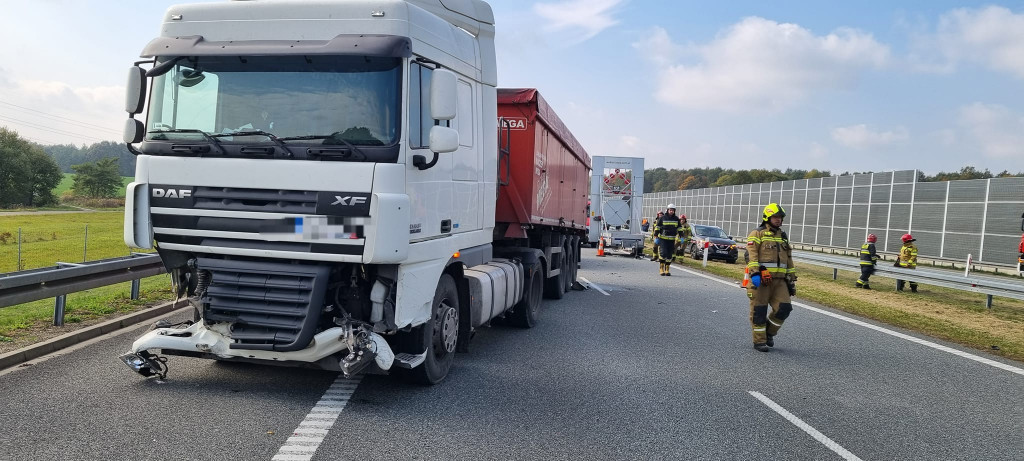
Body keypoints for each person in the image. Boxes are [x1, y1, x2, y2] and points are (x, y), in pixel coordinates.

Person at [745, 203, 797, 352]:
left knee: (785, 308)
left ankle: (769, 333)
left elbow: (788, 258)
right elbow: (751, 255)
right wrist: (756, 272)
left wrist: (791, 279)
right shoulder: (757, 233)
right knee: (759, 310)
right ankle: (759, 341)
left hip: (780, 281)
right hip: (762, 279)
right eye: (775, 217)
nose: (778, 220)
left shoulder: (783, 236)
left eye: (780, 217)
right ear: (767, 217)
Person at [655, 205, 682, 276]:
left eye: (673, 210)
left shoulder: (676, 219)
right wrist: (656, 236)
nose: (671, 211)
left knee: (670, 255)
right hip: (663, 239)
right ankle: (661, 268)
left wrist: (681, 236)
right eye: (670, 210)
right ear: (667, 210)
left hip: (672, 239)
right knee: (663, 253)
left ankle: (667, 269)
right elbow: (657, 227)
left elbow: (679, 228)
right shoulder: (662, 218)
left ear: (674, 211)